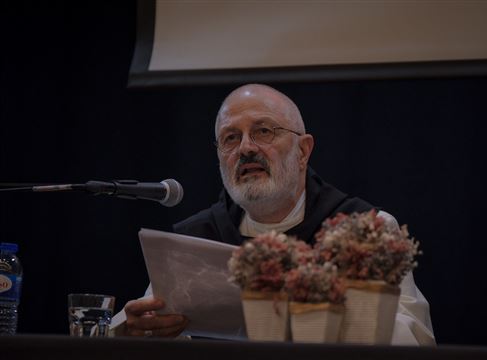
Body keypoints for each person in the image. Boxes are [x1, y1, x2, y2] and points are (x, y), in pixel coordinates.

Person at [111, 84, 435, 345]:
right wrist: (132, 329)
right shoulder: (192, 238)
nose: (246, 148)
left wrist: (324, 312)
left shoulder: (368, 230)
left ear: (303, 151)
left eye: (264, 131)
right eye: (231, 138)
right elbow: (146, 319)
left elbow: (414, 338)